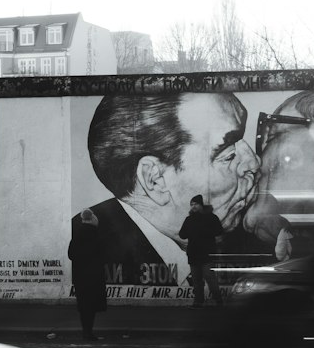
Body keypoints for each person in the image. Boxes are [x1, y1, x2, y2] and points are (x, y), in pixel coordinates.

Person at [75, 91, 259, 289]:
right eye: (229, 155)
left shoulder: (246, 238)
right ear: (154, 179)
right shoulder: (90, 243)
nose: (254, 162)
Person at [67, 208, 108, 339]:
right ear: (92, 218)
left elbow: (71, 254)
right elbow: (103, 254)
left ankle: (86, 331)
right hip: (94, 276)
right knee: (92, 305)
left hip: (80, 276)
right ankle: (89, 331)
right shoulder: (96, 234)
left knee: (84, 305)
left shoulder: (77, 234)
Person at [177, 195, 224, 306]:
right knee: (197, 280)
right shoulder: (189, 219)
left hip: (206, 253)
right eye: (192, 204)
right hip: (194, 253)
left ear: (201, 205)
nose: (193, 207)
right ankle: (199, 302)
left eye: (195, 204)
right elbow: (182, 234)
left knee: (209, 277)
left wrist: (203, 232)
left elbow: (219, 231)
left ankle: (218, 301)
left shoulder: (211, 218)